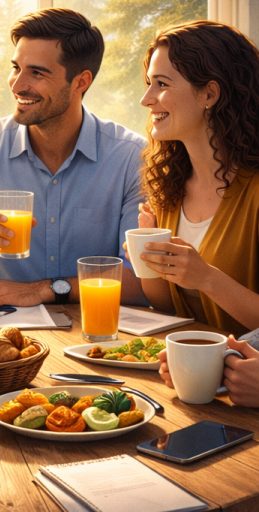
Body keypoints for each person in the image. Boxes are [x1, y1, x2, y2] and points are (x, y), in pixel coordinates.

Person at [0, 8, 145, 310]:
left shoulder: (131, 157)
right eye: (15, 68)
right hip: (0, 331)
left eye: (37, 72)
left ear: (81, 82)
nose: (17, 85)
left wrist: (45, 290)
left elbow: (142, 280)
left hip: (95, 329)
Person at [132, 21, 259, 406]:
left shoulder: (254, 191)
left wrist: (206, 276)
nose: (147, 99)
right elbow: (168, 307)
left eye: (161, 84)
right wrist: (148, 258)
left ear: (209, 94)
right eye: (149, 83)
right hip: (196, 390)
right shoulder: (169, 189)